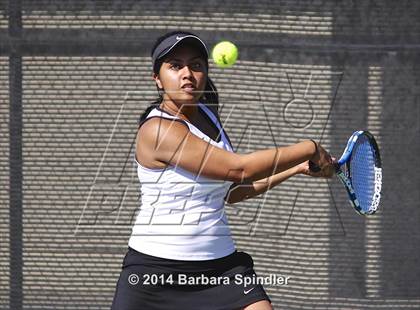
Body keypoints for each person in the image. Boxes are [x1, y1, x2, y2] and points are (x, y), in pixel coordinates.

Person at [111, 31, 335, 310]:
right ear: (157, 78)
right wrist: (309, 148)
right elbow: (238, 170)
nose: (187, 74)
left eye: (196, 65)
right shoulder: (157, 129)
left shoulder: (207, 116)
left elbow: (232, 193)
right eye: (175, 65)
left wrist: (297, 168)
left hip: (221, 270)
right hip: (154, 275)